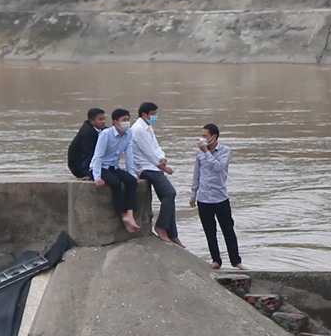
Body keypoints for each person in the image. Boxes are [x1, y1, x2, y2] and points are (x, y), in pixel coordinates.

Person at [190, 123, 246, 270]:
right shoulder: (199, 152)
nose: (202, 139)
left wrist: (206, 152)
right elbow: (197, 173)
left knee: (228, 229)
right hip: (203, 198)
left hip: (220, 197)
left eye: (205, 136)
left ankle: (236, 261)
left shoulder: (225, 151)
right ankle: (216, 260)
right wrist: (193, 194)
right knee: (210, 231)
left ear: (214, 137)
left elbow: (219, 168)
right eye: (202, 136)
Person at [131, 101, 183, 247]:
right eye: (153, 114)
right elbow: (147, 152)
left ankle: (172, 234)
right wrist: (162, 166)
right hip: (145, 167)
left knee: (168, 198)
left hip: (154, 165)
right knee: (169, 193)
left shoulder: (147, 127)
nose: (155, 117)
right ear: (144, 114)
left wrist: (162, 157)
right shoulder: (138, 129)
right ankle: (161, 227)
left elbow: (155, 146)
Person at [90, 108, 140, 232]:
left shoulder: (129, 134)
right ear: (115, 122)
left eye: (128, 120)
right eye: (123, 120)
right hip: (100, 167)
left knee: (131, 181)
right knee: (115, 184)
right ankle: (123, 215)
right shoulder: (106, 134)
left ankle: (130, 214)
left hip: (114, 166)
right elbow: (98, 156)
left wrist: (131, 172)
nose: (126, 123)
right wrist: (97, 177)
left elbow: (129, 154)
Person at [67, 108, 106, 179]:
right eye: (100, 120)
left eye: (104, 119)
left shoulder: (100, 129)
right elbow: (87, 153)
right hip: (79, 167)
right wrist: (87, 173)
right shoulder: (87, 132)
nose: (103, 122)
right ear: (92, 121)